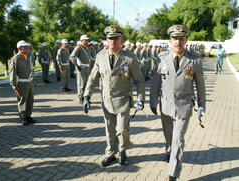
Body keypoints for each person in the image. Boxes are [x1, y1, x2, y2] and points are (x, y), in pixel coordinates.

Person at [83, 25, 145, 167]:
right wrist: (87, 96)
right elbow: (93, 78)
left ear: (121, 40)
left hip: (123, 100)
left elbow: (139, 81)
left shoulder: (129, 58)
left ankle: (122, 151)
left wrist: (140, 99)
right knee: (109, 130)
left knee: (122, 130)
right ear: (106, 40)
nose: (113, 42)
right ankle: (110, 154)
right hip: (106, 101)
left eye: (116, 38)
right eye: (110, 39)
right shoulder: (100, 56)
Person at [150, 25, 206, 181]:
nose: (178, 42)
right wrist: (153, 102)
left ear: (186, 40)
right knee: (169, 136)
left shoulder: (194, 59)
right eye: (175, 38)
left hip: (184, 106)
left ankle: (173, 173)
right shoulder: (161, 58)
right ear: (170, 41)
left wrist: (202, 105)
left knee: (178, 139)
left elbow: (200, 85)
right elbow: (155, 82)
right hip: (166, 106)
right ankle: (169, 150)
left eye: (181, 38)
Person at [9, 40, 36, 126]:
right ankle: (23, 117)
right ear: (20, 48)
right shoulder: (15, 59)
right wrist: (14, 86)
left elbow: (32, 69)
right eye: (25, 47)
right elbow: (12, 74)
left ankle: (28, 115)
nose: (28, 48)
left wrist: (33, 81)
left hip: (30, 82)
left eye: (28, 46)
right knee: (22, 101)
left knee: (30, 100)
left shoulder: (29, 56)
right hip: (21, 83)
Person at [69, 34, 92, 104]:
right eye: (86, 40)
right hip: (81, 68)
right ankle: (80, 98)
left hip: (87, 67)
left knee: (87, 84)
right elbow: (72, 57)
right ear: (81, 40)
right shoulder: (78, 47)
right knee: (81, 84)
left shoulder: (87, 48)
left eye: (88, 40)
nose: (87, 41)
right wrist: (77, 65)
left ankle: (85, 98)